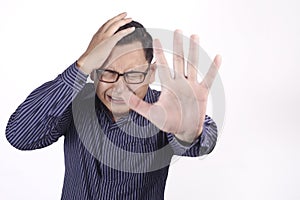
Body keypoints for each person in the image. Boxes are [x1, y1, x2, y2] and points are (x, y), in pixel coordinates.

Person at [5, 12, 221, 200]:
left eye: (134, 74)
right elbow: (19, 136)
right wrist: (80, 65)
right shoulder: (74, 103)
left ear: (151, 73)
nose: (120, 88)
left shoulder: (165, 110)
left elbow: (199, 144)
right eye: (108, 72)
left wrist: (188, 131)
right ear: (93, 71)